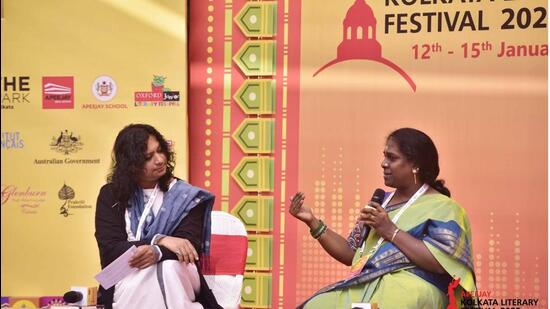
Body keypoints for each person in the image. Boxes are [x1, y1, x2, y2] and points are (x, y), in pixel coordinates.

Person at [290, 128, 476, 308]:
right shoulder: (381, 204)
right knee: (318, 304)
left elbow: (440, 264)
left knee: (394, 301)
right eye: (384, 155)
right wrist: (312, 221)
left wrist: (390, 230)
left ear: (415, 165)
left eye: (392, 158)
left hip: (414, 287)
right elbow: (351, 254)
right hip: (366, 284)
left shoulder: (445, 208)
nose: (383, 163)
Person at [95, 124, 222, 309]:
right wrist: (159, 240)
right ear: (130, 164)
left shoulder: (185, 196)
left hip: (180, 273)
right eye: (148, 157)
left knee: (167, 269)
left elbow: (189, 247)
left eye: (160, 150)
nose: (160, 160)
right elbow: (110, 251)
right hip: (126, 274)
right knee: (146, 274)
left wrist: (157, 253)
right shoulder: (111, 195)